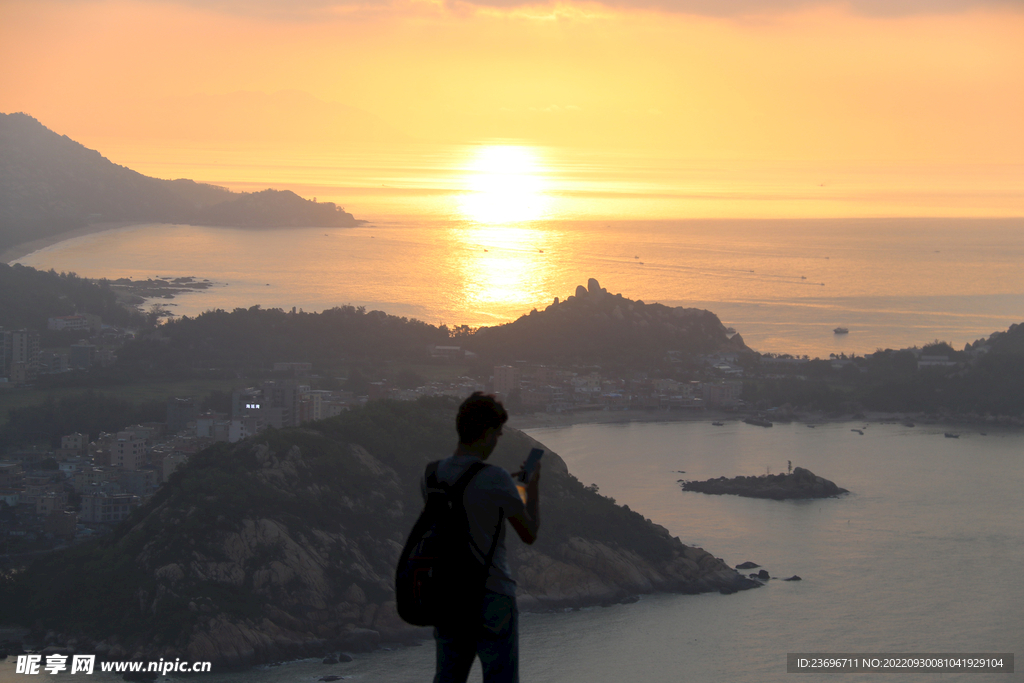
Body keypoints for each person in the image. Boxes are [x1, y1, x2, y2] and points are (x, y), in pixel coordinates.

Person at [424, 391, 541, 683]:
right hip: (492, 595)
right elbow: (529, 533)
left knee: (448, 677)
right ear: (488, 433)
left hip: (447, 597)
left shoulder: (431, 475)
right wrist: (531, 488)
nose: (497, 441)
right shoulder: (496, 478)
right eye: (498, 435)